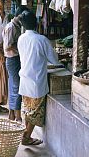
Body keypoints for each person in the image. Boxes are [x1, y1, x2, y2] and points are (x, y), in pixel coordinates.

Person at [17, 11, 62, 145]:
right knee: (35, 112)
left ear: (23, 25)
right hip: (36, 82)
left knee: (28, 109)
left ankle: (26, 135)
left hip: (25, 79)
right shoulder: (42, 39)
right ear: (37, 23)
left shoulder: (21, 38)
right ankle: (26, 137)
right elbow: (54, 60)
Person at [2, 6, 29, 123]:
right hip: (12, 60)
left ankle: (12, 114)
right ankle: (17, 116)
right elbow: (7, 46)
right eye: (22, 16)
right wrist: (21, 47)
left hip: (15, 58)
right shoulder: (11, 27)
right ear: (18, 15)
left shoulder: (17, 26)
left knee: (14, 86)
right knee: (16, 87)